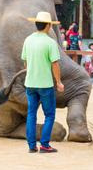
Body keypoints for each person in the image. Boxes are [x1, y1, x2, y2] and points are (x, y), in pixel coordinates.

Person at [22, 11, 64, 153]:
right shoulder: (50, 42)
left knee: (31, 114)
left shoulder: (28, 40)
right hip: (45, 84)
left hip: (30, 83)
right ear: (48, 26)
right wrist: (58, 82)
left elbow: (26, 63)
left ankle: (31, 146)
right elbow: (55, 64)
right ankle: (45, 145)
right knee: (49, 115)